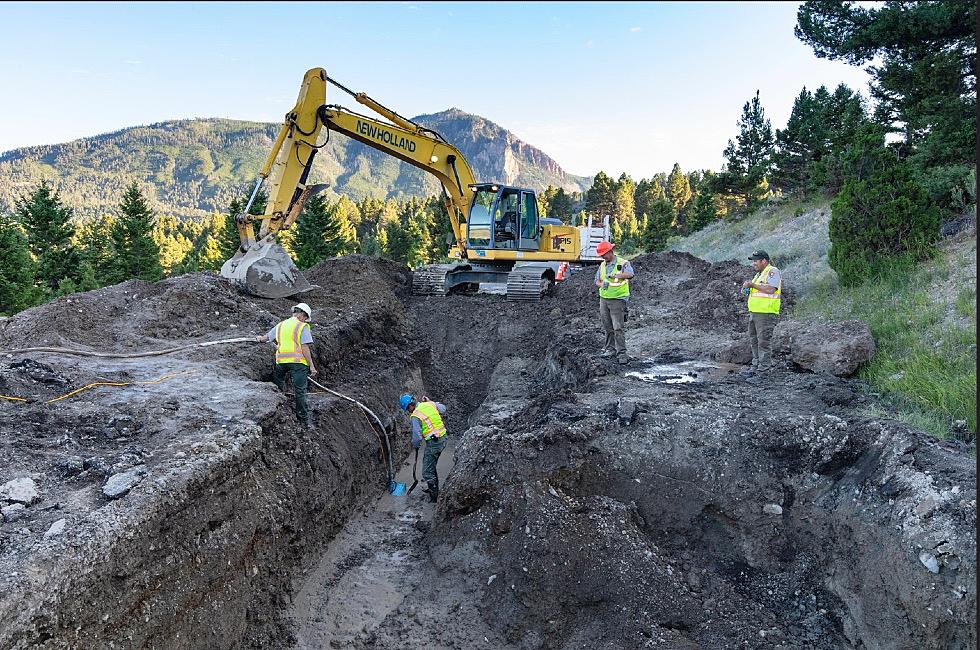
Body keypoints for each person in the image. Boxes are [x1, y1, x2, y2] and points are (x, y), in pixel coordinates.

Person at [255, 303, 317, 427]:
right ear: (303, 315)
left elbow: (266, 338)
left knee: (278, 384)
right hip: (298, 363)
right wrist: (311, 366)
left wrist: (259, 338)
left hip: (281, 362)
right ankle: (303, 419)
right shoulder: (302, 326)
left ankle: (279, 408)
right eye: (306, 318)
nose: (305, 320)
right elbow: (304, 347)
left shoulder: (281, 325)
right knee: (299, 391)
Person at [400, 393, 448, 503]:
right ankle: (434, 488)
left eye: (408, 409)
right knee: (431, 466)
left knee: (426, 472)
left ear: (410, 406)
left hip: (434, 443)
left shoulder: (415, 415)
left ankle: (434, 497)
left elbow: (416, 436)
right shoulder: (428, 404)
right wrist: (431, 401)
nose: (409, 412)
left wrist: (415, 446)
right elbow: (443, 409)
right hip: (443, 438)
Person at [741, 251, 782, 376]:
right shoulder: (758, 275)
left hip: (766, 313)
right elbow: (754, 291)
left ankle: (764, 370)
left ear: (764, 261)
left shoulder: (772, 271)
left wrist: (753, 284)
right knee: (754, 340)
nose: (754, 263)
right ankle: (756, 365)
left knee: (763, 341)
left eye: (755, 261)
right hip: (755, 312)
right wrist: (746, 289)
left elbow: (770, 289)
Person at [594, 241, 635, 365]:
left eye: (604, 255)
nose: (603, 257)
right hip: (604, 299)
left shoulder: (623, 263)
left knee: (618, 327)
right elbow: (597, 281)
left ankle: (622, 353)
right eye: (602, 256)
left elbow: (631, 274)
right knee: (608, 326)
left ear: (610, 252)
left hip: (618, 299)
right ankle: (610, 350)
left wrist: (618, 275)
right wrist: (602, 284)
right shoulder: (602, 265)